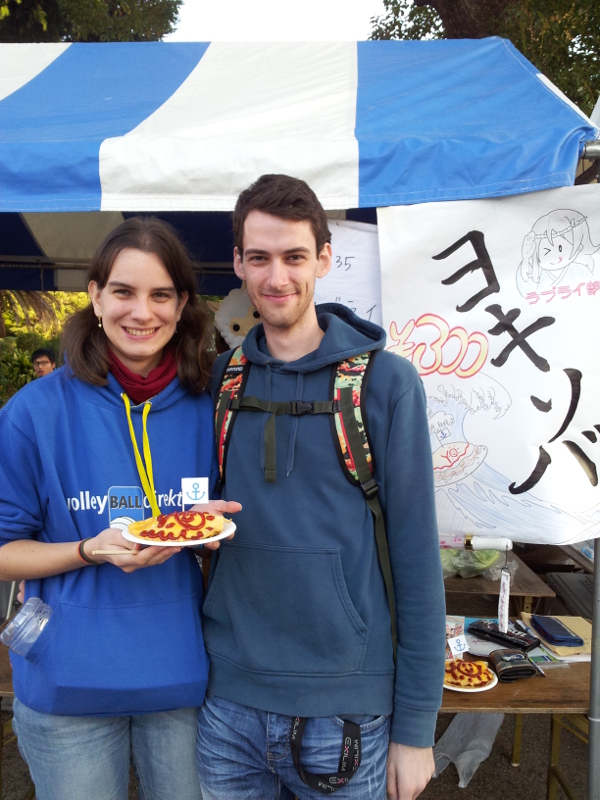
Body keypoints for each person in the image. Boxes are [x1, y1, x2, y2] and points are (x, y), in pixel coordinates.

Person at [197, 175, 446, 800]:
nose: (276, 277)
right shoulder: (221, 383)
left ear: (325, 259)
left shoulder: (385, 385)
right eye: (259, 258)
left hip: (347, 712)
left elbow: (418, 562)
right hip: (228, 706)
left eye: (294, 256)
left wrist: (416, 730)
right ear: (237, 263)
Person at [0, 217, 240, 800]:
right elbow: (5, 553)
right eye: (124, 292)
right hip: (68, 688)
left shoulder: (214, 403)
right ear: (95, 296)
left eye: (161, 294)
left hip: (187, 681)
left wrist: (213, 532)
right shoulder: (34, 412)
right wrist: (87, 550)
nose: (142, 312)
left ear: (184, 303)